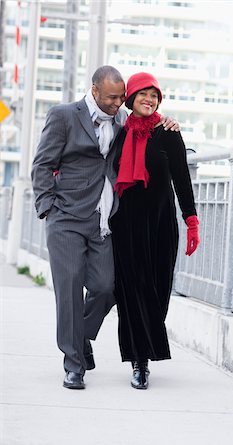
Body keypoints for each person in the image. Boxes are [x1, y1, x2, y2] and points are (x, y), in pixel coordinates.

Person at [31, 65, 179, 390]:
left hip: (103, 220)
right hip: (66, 218)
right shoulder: (64, 115)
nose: (117, 103)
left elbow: (146, 126)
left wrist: (167, 122)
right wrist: (47, 209)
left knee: (106, 287)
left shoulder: (122, 122)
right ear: (94, 90)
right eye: (111, 98)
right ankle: (74, 365)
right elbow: (42, 163)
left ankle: (79, 336)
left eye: (121, 98)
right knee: (69, 290)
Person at [110, 72, 200, 390]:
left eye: (155, 96)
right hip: (127, 226)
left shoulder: (168, 133)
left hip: (162, 225)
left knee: (159, 290)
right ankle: (140, 361)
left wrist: (191, 221)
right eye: (143, 95)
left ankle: (146, 349)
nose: (149, 100)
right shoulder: (119, 133)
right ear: (131, 98)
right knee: (132, 293)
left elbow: (181, 179)